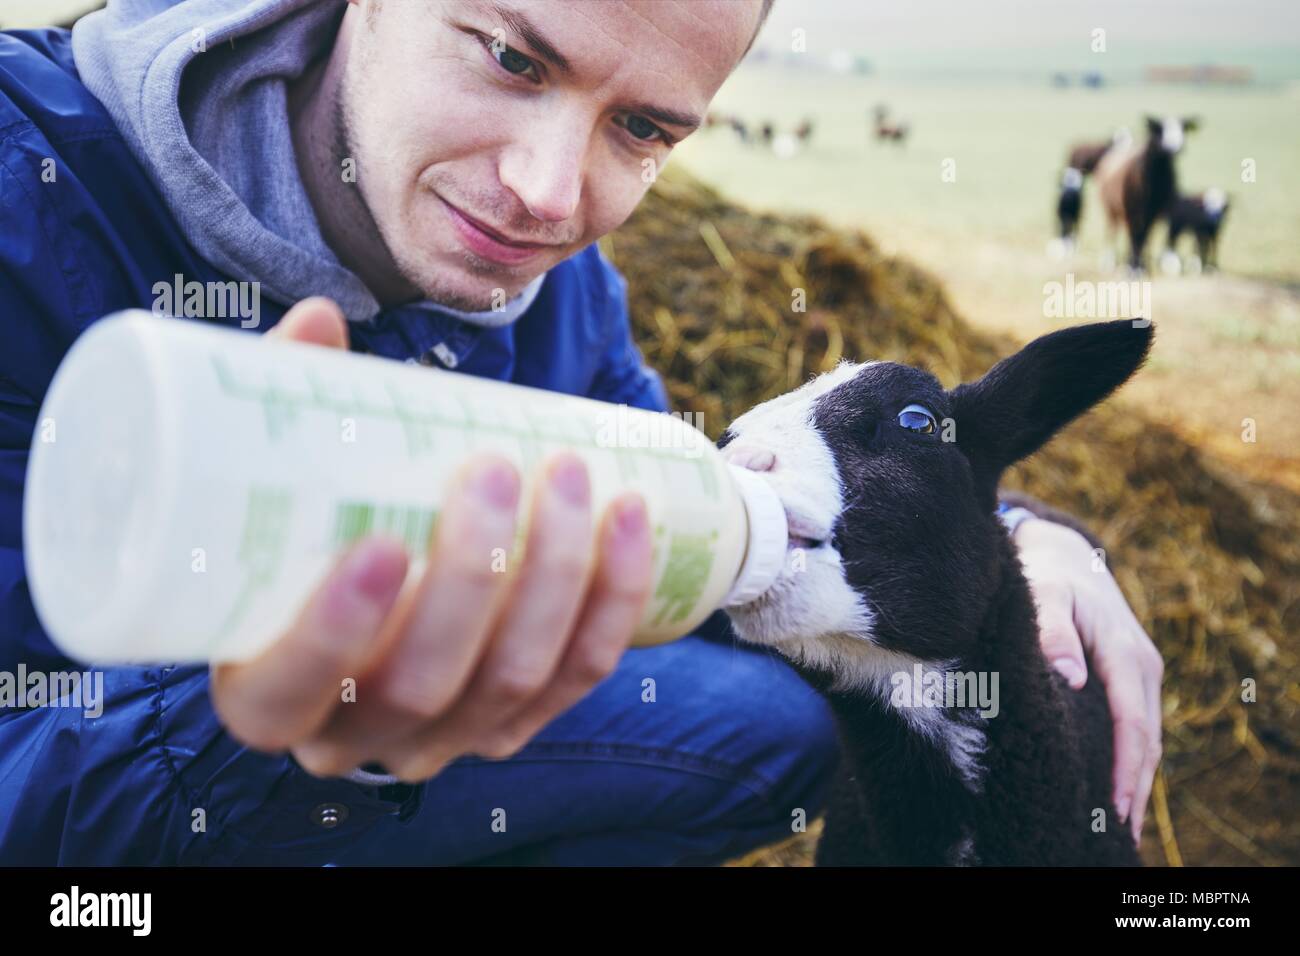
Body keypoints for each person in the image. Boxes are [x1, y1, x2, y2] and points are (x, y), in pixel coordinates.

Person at [0, 0, 1162, 865]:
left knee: (787, 718)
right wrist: (242, 729)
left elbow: (716, 527)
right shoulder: (26, 193)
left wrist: (1011, 529)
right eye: (512, 56)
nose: (552, 196)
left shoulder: (562, 288)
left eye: (644, 129)